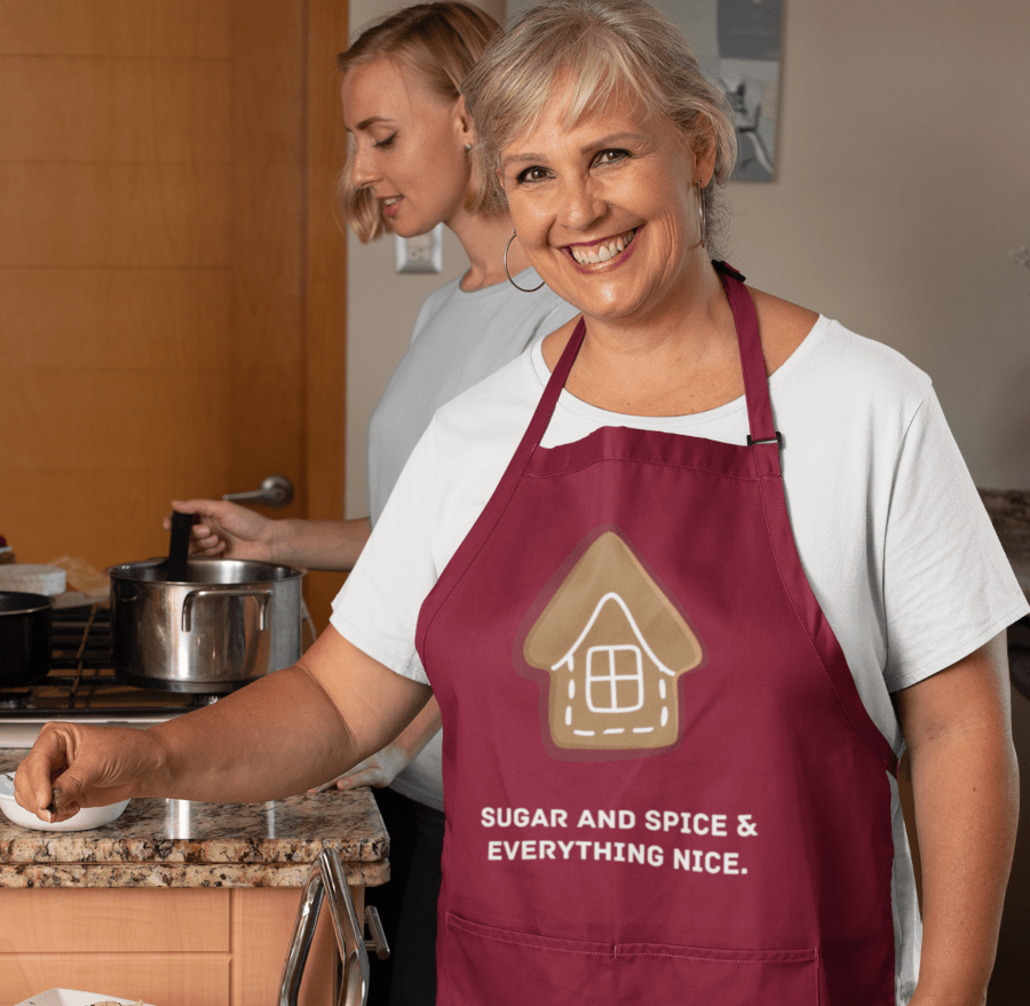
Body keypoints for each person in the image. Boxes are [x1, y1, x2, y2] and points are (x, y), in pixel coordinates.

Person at [18, 2, 1025, 1004]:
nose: (577, 209)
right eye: (535, 172)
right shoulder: (476, 434)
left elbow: (956, 730)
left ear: (699, 149)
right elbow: (336, 701)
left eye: (611, 154)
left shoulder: (864, 405)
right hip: (522, 979)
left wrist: (950, 993)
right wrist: (141, 757)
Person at [161, 5, 577, 1004]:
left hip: (492, 786)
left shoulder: (563, 313)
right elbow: (427, 535)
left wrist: (383, 735)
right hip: (405, 777)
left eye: (381, 136)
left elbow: (541, 579)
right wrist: (280, 538)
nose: (359, 170)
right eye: (356, 140)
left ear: (474, 115)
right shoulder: (450, 305)